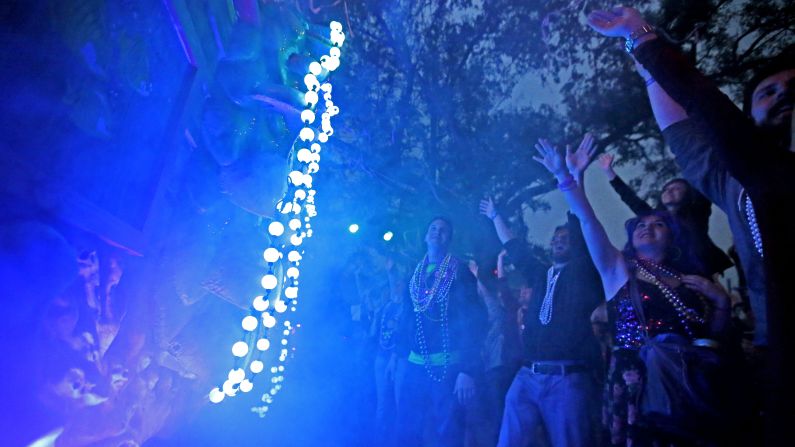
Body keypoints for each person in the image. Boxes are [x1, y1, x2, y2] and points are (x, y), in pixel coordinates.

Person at [586, 7, 795, 438]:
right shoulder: (733, 181)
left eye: (792, 89)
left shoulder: (697, 210)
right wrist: (643, 56)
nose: (782, 97)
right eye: (767, 91)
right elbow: (680, 131)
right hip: (778, 346)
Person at [534, 134, 732, 445]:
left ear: (673, 238)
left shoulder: (689, 281)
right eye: (639, 223)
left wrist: (721, 303)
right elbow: (588, 223)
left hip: (691, 386)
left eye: (658, 224)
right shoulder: (619, 269)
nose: (645, 226)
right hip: (637, 386)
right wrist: (567, 178)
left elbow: (712, 336)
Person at [481, 187, 604, 447]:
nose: (559, 240)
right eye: (556, 237)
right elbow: (516, 249)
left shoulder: (584, 274)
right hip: (527, 374)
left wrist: (572, 183)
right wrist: (495, 217)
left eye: (566, 237)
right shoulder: (541, 274)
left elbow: (584, 229)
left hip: (567, 378)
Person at [392, 217, 486, 447]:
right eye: (433, 228)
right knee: (407, 430)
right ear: (425, 236)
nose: (437, 232)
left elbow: (474, 320)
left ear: (449, 239)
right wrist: (398, 357)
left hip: (448, 368)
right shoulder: (416, 274)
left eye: (443, 230)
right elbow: (407, 317)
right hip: (415, 366)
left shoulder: (460, 272)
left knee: (448, 434)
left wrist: (467, 370)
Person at [582, 152, 732, 277]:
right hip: (672, 270)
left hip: (701, 269)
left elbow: (702, 181)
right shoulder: (654, 218)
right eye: (666, 189)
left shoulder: (697, 212)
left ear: (688, 194)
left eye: (677, 188)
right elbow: (630, 198)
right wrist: (609, 172)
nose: (669, 190)